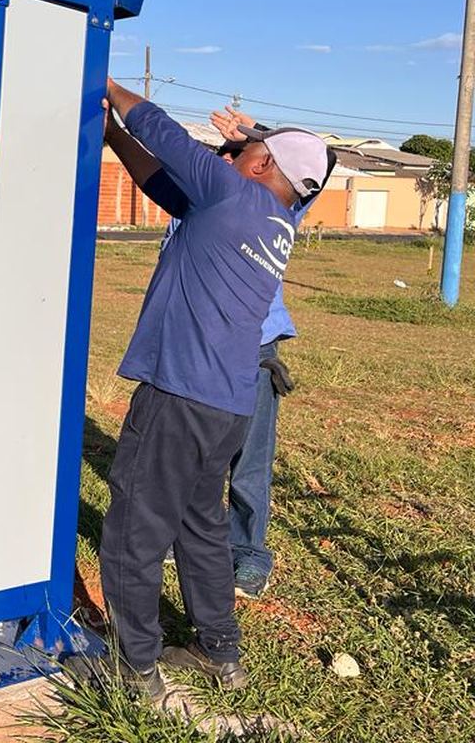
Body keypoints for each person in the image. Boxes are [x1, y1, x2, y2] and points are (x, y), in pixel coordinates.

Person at [99, 77, 333, 701]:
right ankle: (220, 654)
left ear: (258, 163)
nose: (233, 156)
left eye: (245, 152)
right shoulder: (275, 220)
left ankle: (135, 667)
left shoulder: (232, 192)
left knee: (134, 528)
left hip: (180, 392)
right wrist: (111, 136)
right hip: (228, 401)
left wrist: (109, 87)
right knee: (201, 528)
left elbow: (166, 135)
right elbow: (163, 182)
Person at [158, 107, 332, 599]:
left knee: (249, 460)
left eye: (242, 158)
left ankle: (248, 554)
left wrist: (259, 134)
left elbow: (317, 172)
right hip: (197, 352)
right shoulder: (194, 210)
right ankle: (184, 535)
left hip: (254, 352)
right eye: (223, 160)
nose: (227, 168)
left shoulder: (278, 209)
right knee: (191, 453)